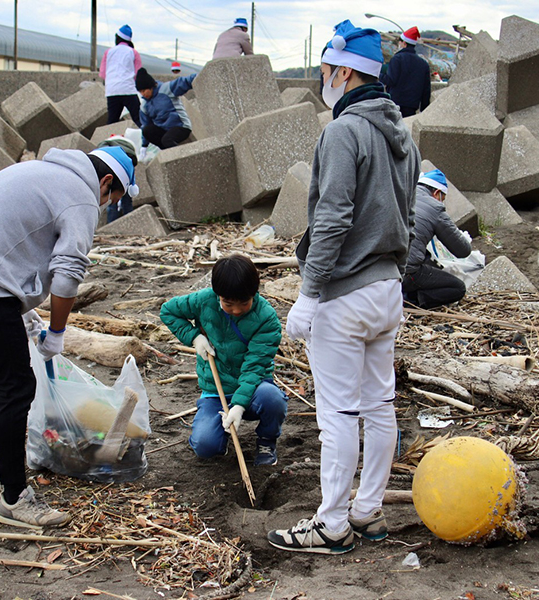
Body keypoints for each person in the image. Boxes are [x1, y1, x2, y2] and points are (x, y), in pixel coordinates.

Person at [0, 145, 136, 529]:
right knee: (15, 389)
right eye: (112, 198)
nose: (105, 206)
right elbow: (68, 274)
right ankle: (16, 499)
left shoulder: (32, 171)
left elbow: (1, 240)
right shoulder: (81, 195)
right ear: (106, 181)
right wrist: (57, 331)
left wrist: (22, 308)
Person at [267, 20, 419, 554]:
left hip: (346, 294)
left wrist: (309, 294)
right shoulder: (403, 135)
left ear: (345, 72)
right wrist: (394, 275)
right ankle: (367, 510)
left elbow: (332, 218)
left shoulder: (343, 131)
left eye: (326, 70)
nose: (323, 79)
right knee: (379, 406)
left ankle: (331, 524)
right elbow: (408, 218)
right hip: (387, 291)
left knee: (337, 415)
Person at [160, 254, 287, 466]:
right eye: (228, 303)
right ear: (218, 294)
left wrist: (238, 405)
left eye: (244, 303)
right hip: (216, 390)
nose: (236, 310)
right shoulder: (204, 300)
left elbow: (255, 367)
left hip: (253, 388)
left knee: (273, 399)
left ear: (254, 293)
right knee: (205, 446)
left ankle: (266, 440)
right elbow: (168, 311)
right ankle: (220, 436)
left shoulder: (266, 319)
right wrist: (194, 337)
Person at [402, 169, 472, 309]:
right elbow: (463, 250)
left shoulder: (402, 193)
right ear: (436, 193)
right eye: (442, 198)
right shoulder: (435, 208)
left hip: (378, 267)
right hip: (405, 272)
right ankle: (412, 302)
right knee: (457, 288)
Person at [135, 68, 196, 149]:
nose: (143, 94)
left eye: (144, 91)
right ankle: (166, 151)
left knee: (167, 140)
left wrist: (198, 77)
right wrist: (144, 146)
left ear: (151, 87)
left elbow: (184, 82)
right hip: (164, 130)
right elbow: (145, 125)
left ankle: (179, 155)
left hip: (180, 126)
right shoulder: (144, 106)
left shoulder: (166, 89)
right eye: (140, 92)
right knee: (147, 130)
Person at [379, 26, 431, 117]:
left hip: (395, 103)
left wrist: (378, 75)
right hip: (412, 106)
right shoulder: (423, 64)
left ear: (404, 43)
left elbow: (390, 80)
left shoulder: (397, 59)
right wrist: (424, 110)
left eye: (400, 42)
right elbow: (426, 90)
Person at [99, 25, 142, 126]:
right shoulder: (133, 52)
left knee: (112, 121)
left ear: (117, 38)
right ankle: (145, 136)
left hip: (112, 91)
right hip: (128, 90)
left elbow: (102, 73)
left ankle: (109, 136)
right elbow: (138, 74)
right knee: (139, 119)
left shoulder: (108, 52)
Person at [97, 134, 138, 222]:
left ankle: (112, 224)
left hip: (109, 172)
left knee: (111, 201)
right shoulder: (129, 149)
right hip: (127, 174)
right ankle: (130, 223)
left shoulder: (106, 146)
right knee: (127, 200)